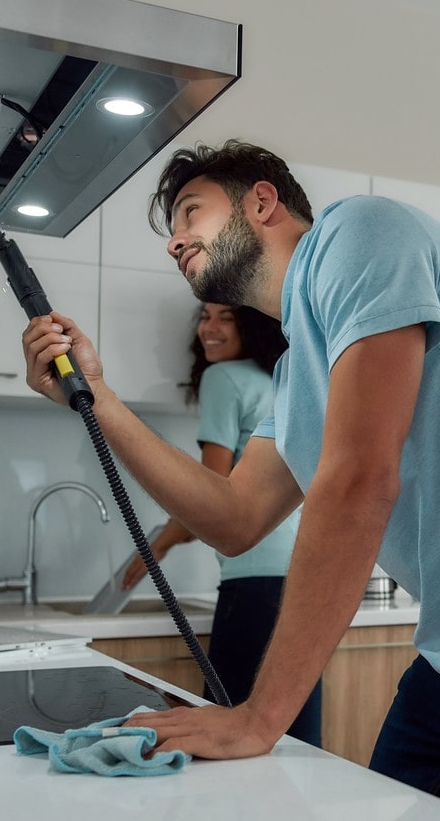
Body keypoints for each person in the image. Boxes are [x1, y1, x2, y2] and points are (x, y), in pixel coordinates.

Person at [21, 140, 440, 820]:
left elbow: (359, 480)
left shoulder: (360, 234)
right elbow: (234, 518)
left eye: (189, 213)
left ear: (262, 201)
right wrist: (100, 400)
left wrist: (260, 716)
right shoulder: (300, 372)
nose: (175, 242)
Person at [119, 301, 321, 746]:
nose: (209, 328)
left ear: (250, 326)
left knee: (224, 737)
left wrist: (159, 544)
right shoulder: (284, 381)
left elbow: (213, 497)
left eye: (225, 318)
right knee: (295, 741)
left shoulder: (223, 380)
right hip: (301, 578)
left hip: (253, 586)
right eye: (204, 317)